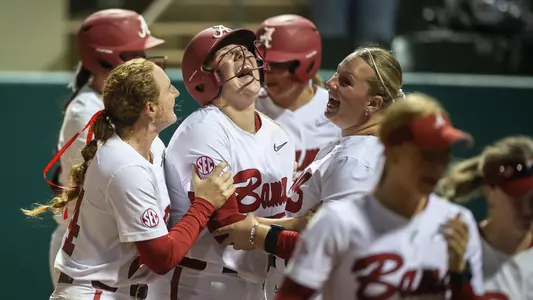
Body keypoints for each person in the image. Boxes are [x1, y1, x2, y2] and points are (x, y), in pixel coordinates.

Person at [23, 58, 236, 299]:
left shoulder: (153, 146)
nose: (175, 92)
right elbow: (161, 258)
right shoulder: (124, 165)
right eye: (168, 89)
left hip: (119, 290)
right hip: (94, 292)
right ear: (150, 108)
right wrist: (204, 204)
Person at [212, 46, 405, 299]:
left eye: (345, 82)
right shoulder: (349, 146)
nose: (331, 83)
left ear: (373, 103)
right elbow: (313, 223)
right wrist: (257, 221)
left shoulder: (357, 160)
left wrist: (257, 235)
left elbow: (339, 249)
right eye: (337, 74)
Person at [275, 93, 485, 299]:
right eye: (427, 155)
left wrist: (459, 276)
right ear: (392, 151)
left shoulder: (457, 223)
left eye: (444, 154)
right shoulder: (339, 221)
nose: (438, 167)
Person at [21, 8, 166, 288]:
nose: (145, 64)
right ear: (105, 59)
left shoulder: (121, 107)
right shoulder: (86, 111)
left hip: (117, 248)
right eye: (137, 55)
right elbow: (130, 176)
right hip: (92, 256)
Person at [162, 25, 296, 300]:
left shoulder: (278, 135)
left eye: (247, 51)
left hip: (260, 281)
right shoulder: (203, 129)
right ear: (204, 79)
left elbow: (278, 218)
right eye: (228, 54)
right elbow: (228, 229)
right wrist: (303, 240)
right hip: (205, 282)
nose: (244, 57)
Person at [438, 136, 533, 300]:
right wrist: (458, 276)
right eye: (516, 196)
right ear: (490, 191)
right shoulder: (457, 252)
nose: (527, 209)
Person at [255, 14, 341, 178]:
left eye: (277, 64)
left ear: (307, 63)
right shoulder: (245, 110)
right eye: (262, 63)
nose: (267, 72)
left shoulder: (339, 108)